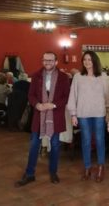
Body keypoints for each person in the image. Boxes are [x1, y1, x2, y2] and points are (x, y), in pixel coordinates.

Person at [15, 52, 70, 187]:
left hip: (55, 116)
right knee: (34, 145)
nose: (48, 63)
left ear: (56, 62)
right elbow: (31, 95)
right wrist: (37, 105)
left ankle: (53, 172)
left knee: (55, 146)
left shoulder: (64, 77)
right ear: (42, 61)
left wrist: (54, 104)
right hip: (39, 116)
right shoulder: (36, 76)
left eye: (51, 60)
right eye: (45, 60)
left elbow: (66, 96)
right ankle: (29, 174)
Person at [67, 51, 109, 182]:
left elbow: (107, 97)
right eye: (85, 59)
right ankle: (87, 167)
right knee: (85, 141)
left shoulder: (103, 76)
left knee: (99, 140)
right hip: (83, 114)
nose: (87, 62)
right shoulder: (78, 77)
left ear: (95, 61)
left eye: (90, 59)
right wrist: (73, 114)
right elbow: (73, 96)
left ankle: (101, 167)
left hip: (99, 113)